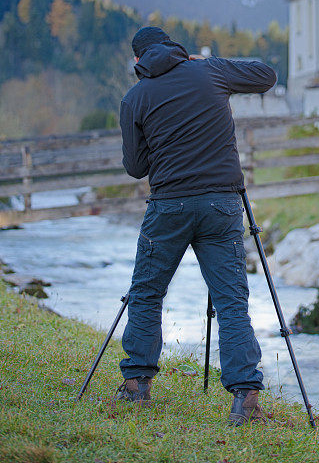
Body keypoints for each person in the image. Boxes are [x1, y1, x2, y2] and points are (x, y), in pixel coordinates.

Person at [116, 26, 277, 425]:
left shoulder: (134, 98)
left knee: (148, 293)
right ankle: (245, 398)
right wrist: (207, 64)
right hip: (222, 204)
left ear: (138, 61)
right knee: (231, 300)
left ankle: (136, 385)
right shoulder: (210, 72)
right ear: (175, 49)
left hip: (168, 205)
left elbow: (136, 168)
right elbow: (266, 75)